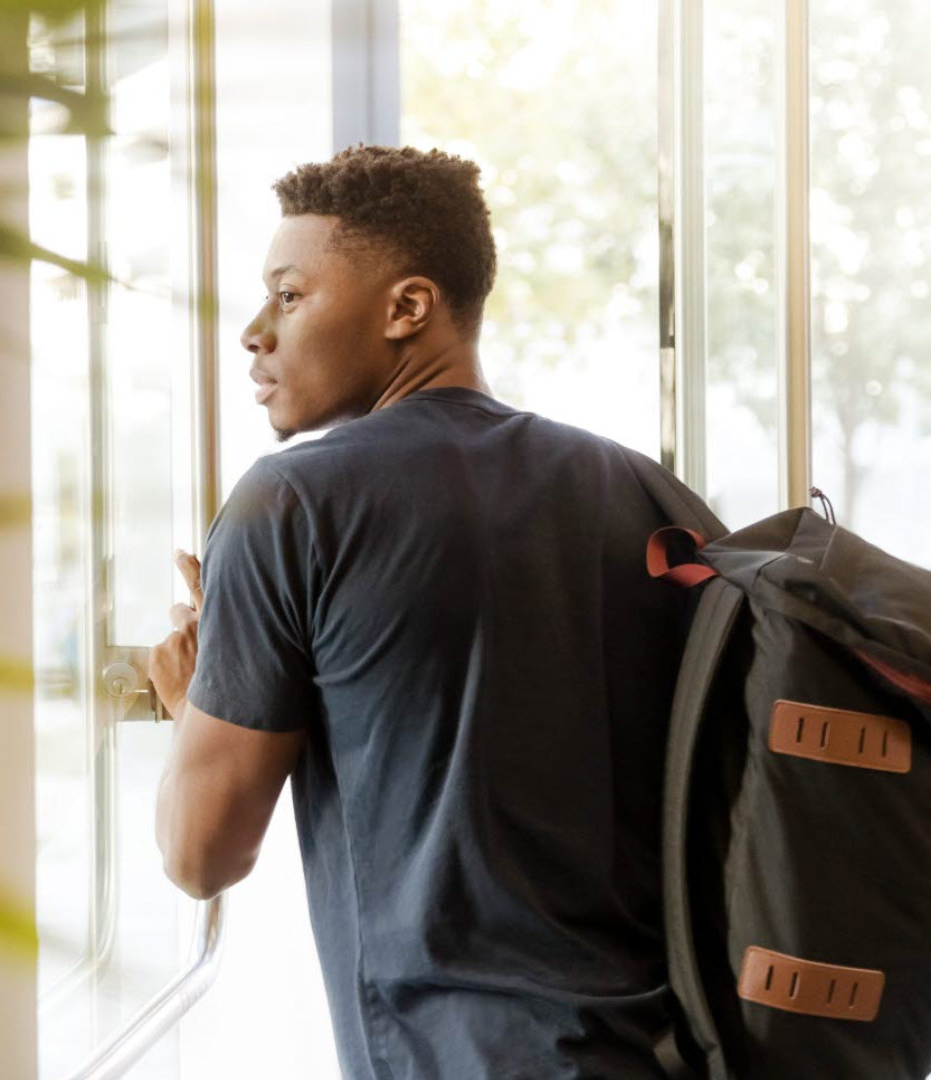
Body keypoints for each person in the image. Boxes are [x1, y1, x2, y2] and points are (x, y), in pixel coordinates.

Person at [148, 143, 697, 1080]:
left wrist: (196, 700)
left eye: (288, 296)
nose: (254, 332)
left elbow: (201, 856)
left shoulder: (291, 504)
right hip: (668, 1051)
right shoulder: (639, 489)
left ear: (408, 308)